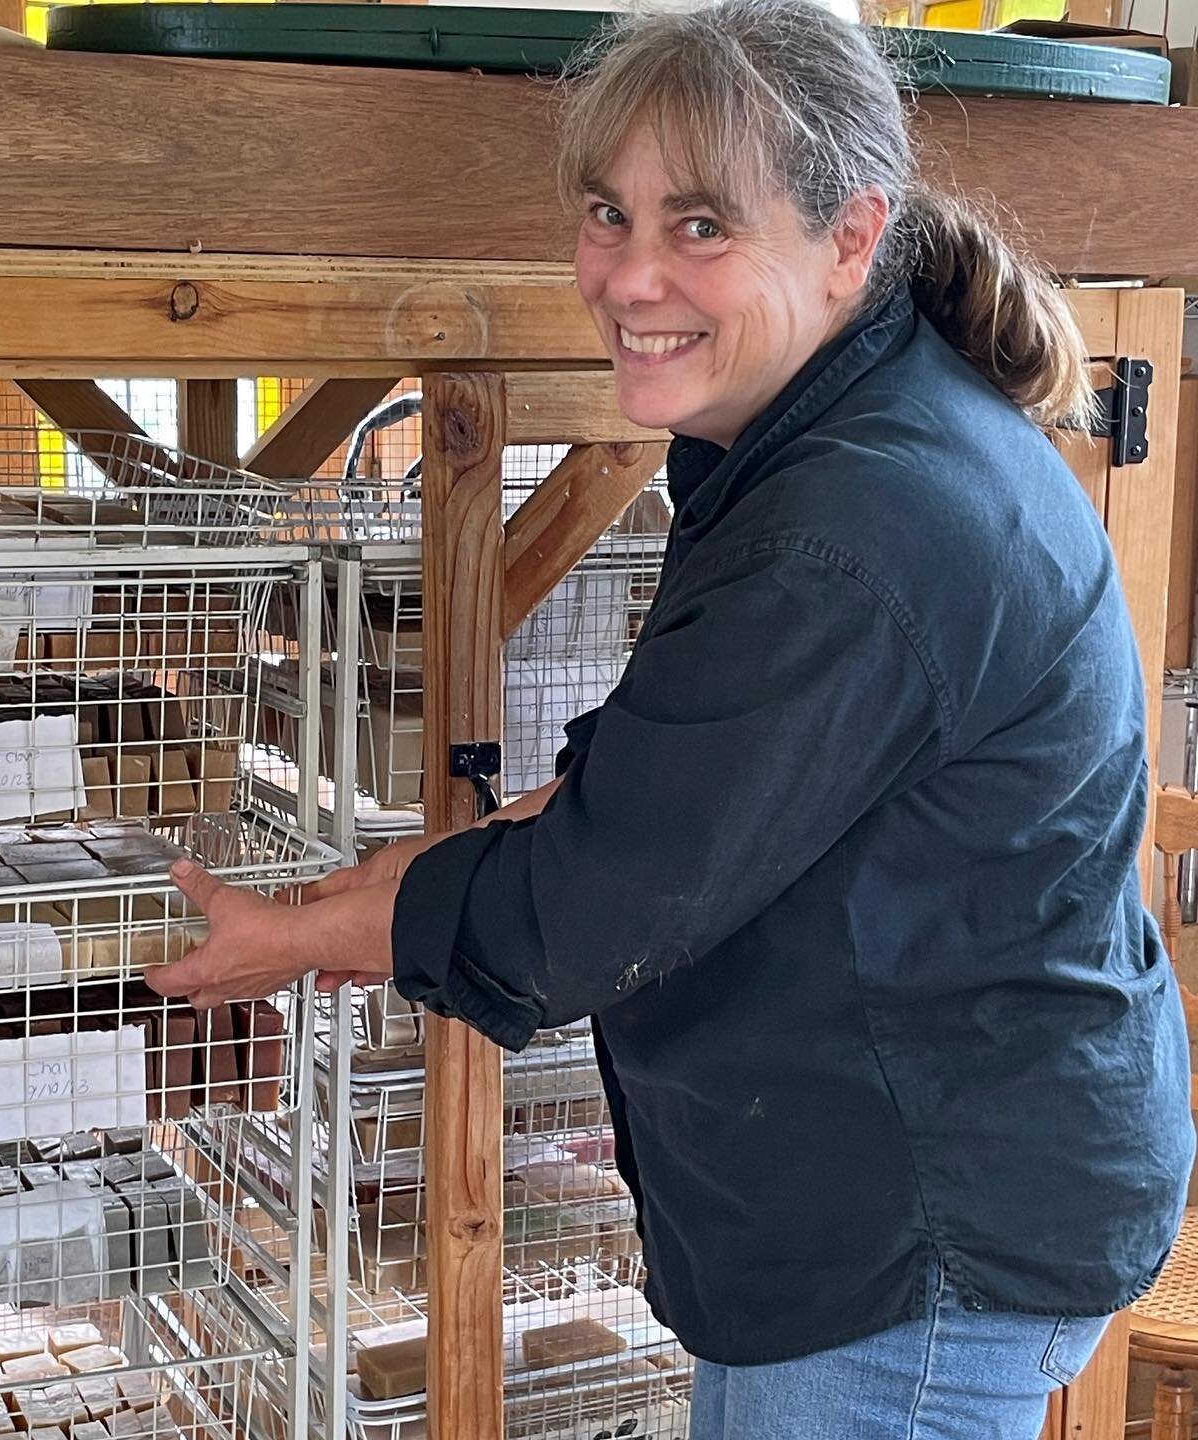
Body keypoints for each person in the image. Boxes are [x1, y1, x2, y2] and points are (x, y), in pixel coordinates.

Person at [145, 2, 1194, 1434]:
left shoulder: (852, 528)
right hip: (920, 1186)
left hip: (913, 1241)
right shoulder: (839, 432)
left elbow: (585, 911)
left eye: (701, 225)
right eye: (607, 212)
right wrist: (384, 888)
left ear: (849, 236)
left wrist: (304, 937)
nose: (631, 277)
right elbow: (675, 791)